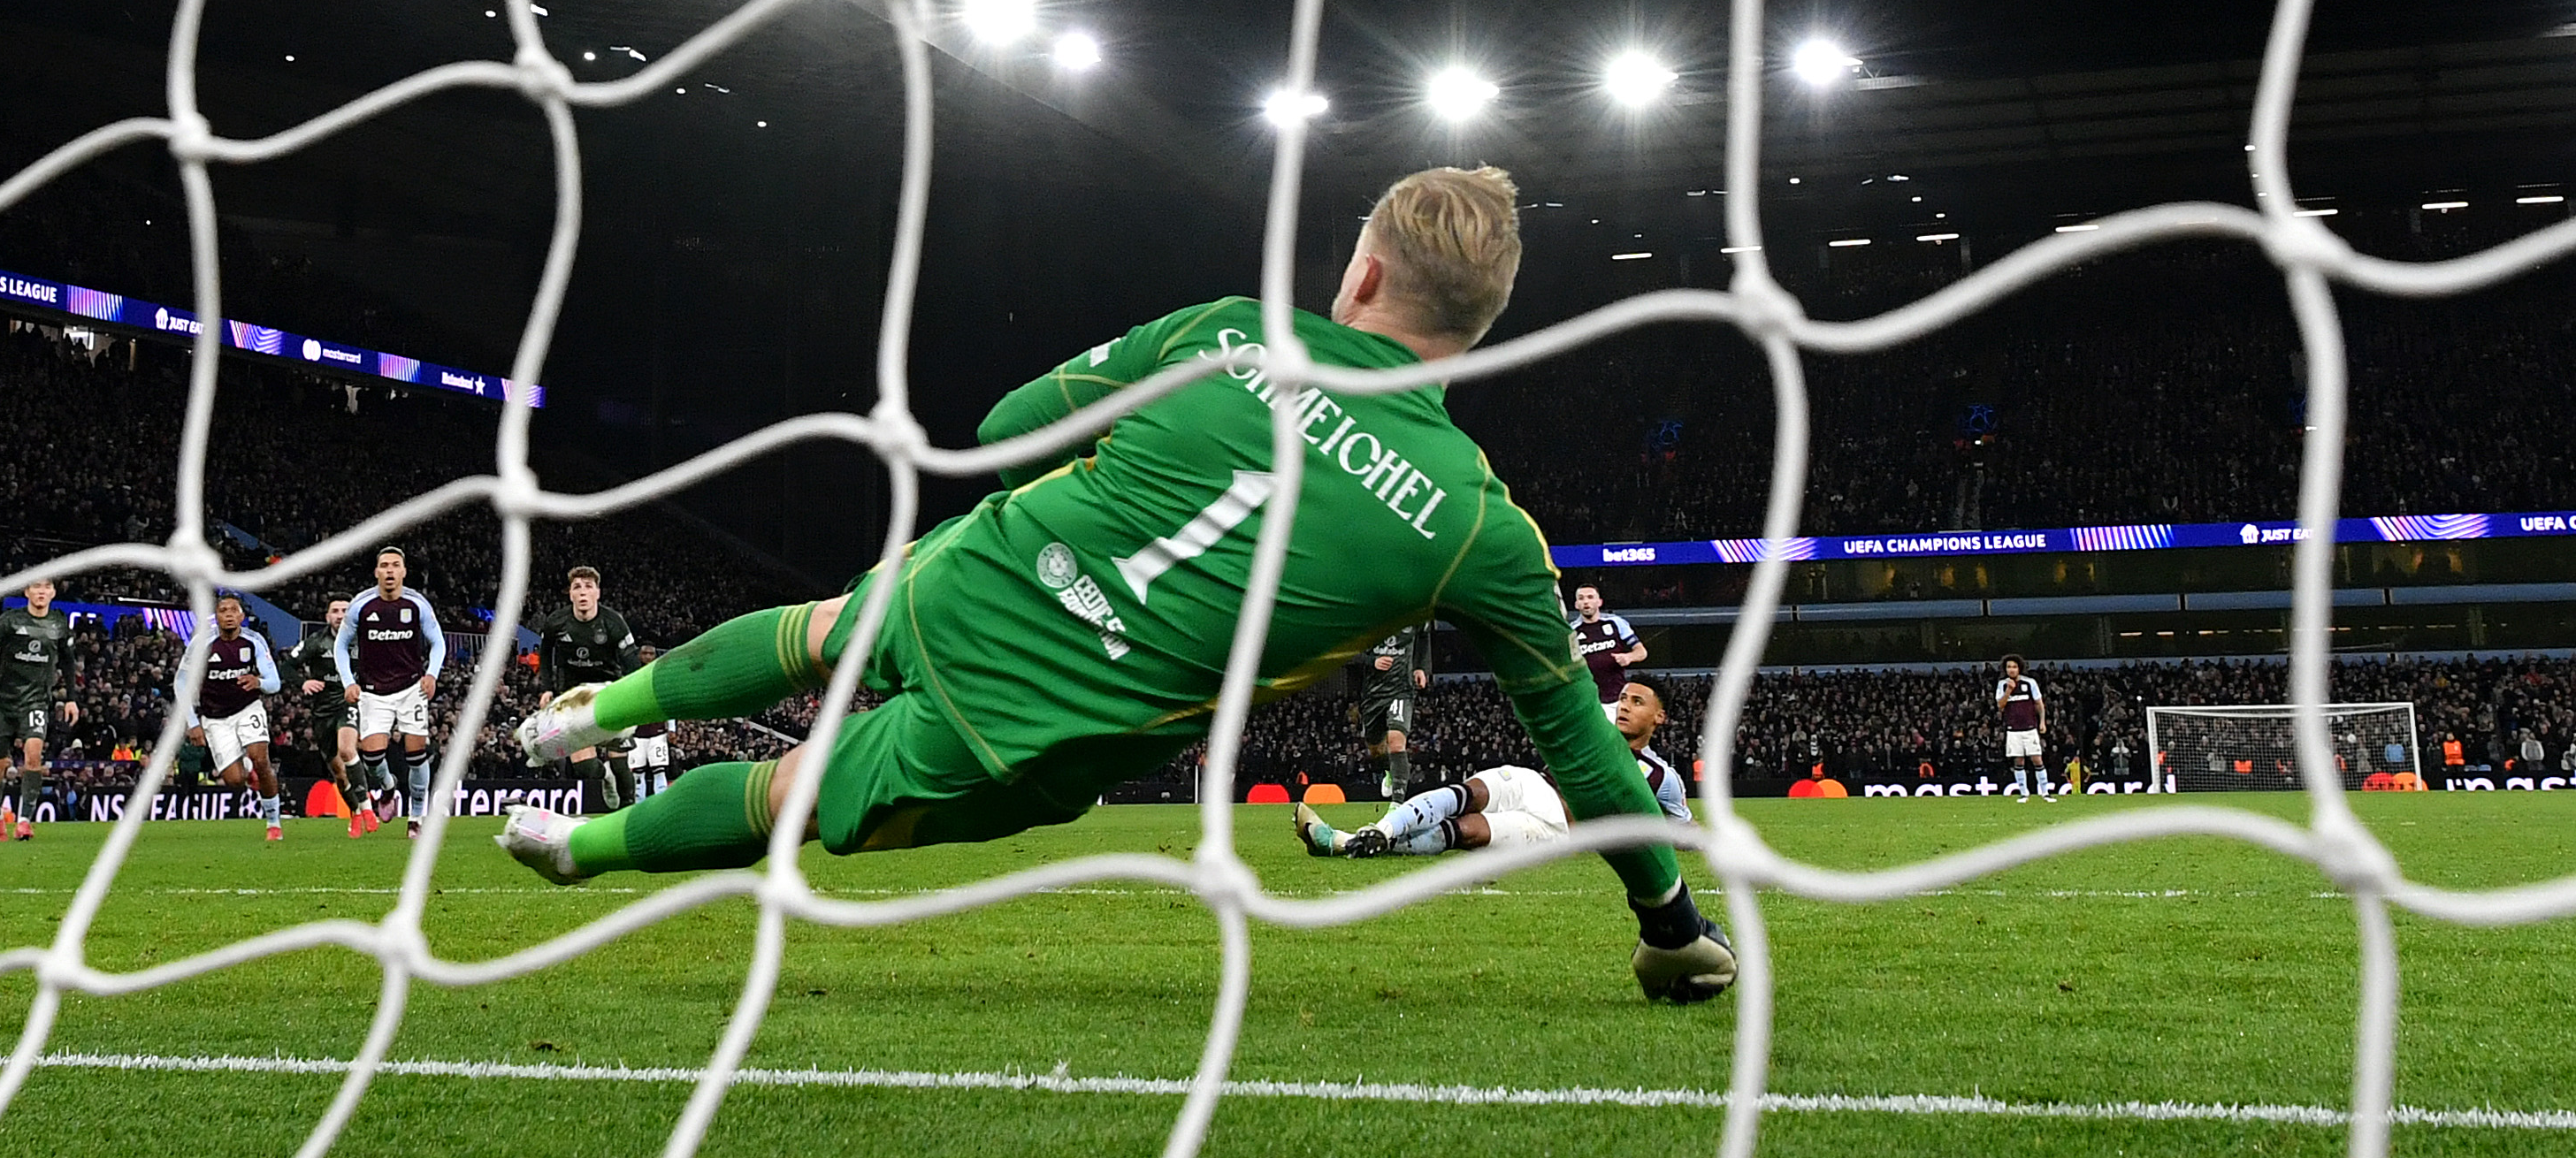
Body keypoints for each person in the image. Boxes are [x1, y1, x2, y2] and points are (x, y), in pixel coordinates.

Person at [497, 165, 1734, 1004]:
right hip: (1044, 724)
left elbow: (1002, 422)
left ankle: (589, 713)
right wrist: (1668, 923)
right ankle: (584, 846)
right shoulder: (1478, 525)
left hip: (984, 571)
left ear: (1360, 278)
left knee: (823, 628)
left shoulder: (1223, 328)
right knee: (789, 792)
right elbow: (1575, 740)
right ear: (1480, 328)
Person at [1297, 668, 1691, 857]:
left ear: (1660, 717)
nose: (1624, 706)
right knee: (1466, 792)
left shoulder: (1662, 777)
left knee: (1464, 832)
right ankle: (1382, 829)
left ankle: (1341, 842)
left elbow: (1683, 828)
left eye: (1637, 703)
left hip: (1554, 826)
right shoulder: (1597, 721)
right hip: (1533, 783)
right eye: (1623, 698)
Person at [335, 548, 446, 839]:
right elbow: (340, 646)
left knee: (417, 754)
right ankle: (387, 788)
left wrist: (431, 673)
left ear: (403, 572)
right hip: (372, 692)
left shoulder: (417, 604)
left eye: (395, 565)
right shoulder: (361, 605)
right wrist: (349, 681)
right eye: (384, 566)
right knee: (372, 758)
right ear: (376, 572)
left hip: (411, 688)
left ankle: (416, 818)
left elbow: (438, 642)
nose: (389, 571)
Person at [0, 577, 80, 842]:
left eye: (46, 588)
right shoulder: (10, 621)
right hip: (3, 704)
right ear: (27, 591)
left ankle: (25, 822)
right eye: (36, 587)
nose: (41, 592)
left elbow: (69, 663)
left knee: (33, 756)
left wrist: (72, 698)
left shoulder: (59, 625)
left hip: (36, 702)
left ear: (53, 592)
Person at [532, 566, 643, 816]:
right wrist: (548, 689)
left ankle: (629, 817)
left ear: (598, 593)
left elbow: (632, 664)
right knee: (584, 768)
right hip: (573, 698)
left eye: (588, 586)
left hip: (610, 693)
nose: (583, 592)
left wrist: (634, 697)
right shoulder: (556, 623)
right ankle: (605, 777)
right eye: (577, 587)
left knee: (619, 759)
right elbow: (545, 655)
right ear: (570, 594)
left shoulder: (613, 623)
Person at [182, 592, 285, 842]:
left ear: (242, 616)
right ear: (215, 617)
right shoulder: (202, 644)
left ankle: (274, 823)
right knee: (234, 781)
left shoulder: (254, 641)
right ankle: (247, 769)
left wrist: (258, 681)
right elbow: (181, 682)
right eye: (223, 610)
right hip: (215, 718)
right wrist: (192, 722)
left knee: (262, 760)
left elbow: (275, 683)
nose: (228, 615)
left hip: (248, 708)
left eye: (233, 610)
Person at [290, 595, 376, 835]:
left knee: (348, 750)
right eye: (335, 611)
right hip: (322, 712)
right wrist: (303, 681)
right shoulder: (316, 642)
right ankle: (356, 812)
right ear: (328, 617)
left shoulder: (364, 640)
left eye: (344, 610)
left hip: (349, 704)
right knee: (339, 772)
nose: (340, 615)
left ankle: (368, 810)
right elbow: (286, 667)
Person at [1349, 621, 1431, 799]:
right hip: (1373, 693)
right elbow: (1346, 651)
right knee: (1375, 748)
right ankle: (1389, 770)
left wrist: (1421, 667)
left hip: (1402, 689)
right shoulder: (1367, 613)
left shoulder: (1416, 610)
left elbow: (1424, 636)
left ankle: (1397, 805)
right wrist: (1372, 661)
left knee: (1395, 741)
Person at [1568, 583, 1647, 720]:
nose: (1586, 602)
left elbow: (1641, 652)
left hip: (1617, 699)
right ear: (1576, 604)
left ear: (1599, 602)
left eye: (1590, 597)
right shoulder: (1571, 632)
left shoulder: (1615, 623)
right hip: (1588, 701)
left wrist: (1629, 657)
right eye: (1581, 598)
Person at [1994, 655, 2054, 803]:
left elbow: (2039, 704)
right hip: (2013, 729)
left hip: (2030, 728)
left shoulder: (2029, 683)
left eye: (2014, 667)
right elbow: (2000, 706)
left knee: (2037, 759)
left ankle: (2045, 792)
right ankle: (2023, 793)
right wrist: (2009, 690)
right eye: (2009, 667)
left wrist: (2042, 722)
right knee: (2019, 761)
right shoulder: (2002, 684)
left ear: (2019, 668)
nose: (2011, 669)